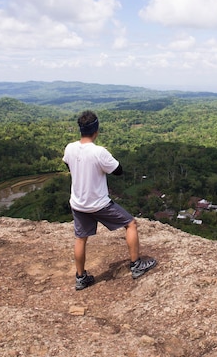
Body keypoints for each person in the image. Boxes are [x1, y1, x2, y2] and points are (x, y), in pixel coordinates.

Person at [62, 110, 157, 290]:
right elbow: (118, 170)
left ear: (80, 129)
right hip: (99, 203)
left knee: (80, 238)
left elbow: (67, 163)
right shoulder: (99, 152)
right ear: (96, 129)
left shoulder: (70, 148)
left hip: (78, 203)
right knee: (130, 224)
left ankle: (81, 278)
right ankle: (136, 265)